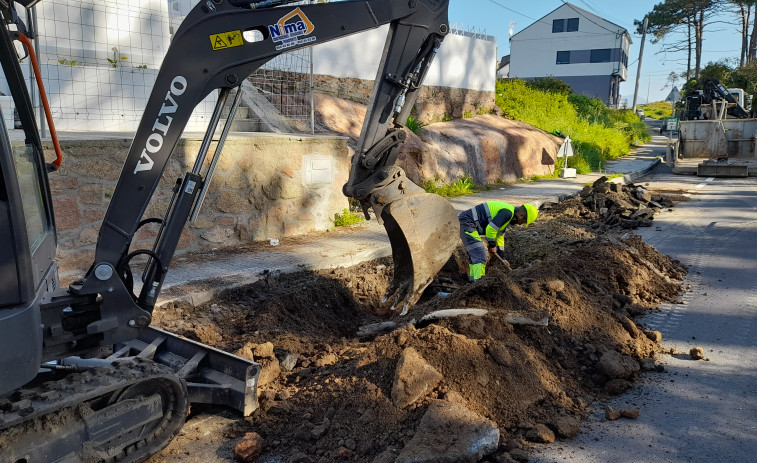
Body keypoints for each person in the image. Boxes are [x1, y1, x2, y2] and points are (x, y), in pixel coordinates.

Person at [458, 201, 538, 281]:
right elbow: (491, 229)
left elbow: (500, 237)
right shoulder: (507, 213)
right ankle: (478, 283)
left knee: (476, 255)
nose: (520, 224)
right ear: (521, 215)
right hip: (467, 223)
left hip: (469, 224)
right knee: (479, 253)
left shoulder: (508, 216)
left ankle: (474, 281)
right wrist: (492, 245)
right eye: (523, 222)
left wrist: (502, 257)